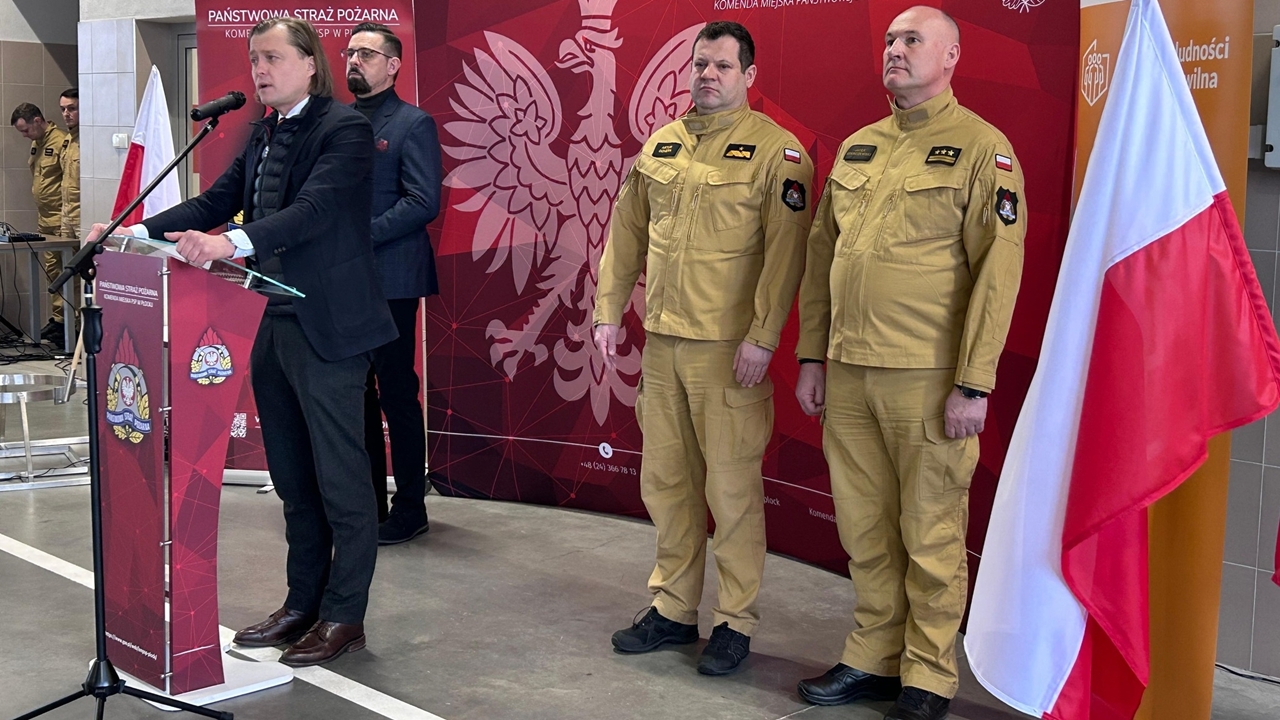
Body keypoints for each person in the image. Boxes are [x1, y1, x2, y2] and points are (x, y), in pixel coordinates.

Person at [87, 17, 396, 668]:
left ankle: (344, 616)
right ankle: (301, 604)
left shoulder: (344, 129)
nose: (260, 70)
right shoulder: (264, 131)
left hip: (332, 328)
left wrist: (231, 243)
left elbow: (312, 211)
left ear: (310, 63)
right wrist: (130, 231)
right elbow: (216, 200)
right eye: (255, 59)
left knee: (342, 483)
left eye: (273, 58)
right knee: (292, 479)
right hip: (271, 319)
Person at [792, 7, 1026, 720]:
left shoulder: (984, 150)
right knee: (865, 529)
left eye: (912, 40)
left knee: (930, 533)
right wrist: (812, 354)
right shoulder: (860, 147)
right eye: (891, 39)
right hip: (849, 372)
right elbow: (821, 257)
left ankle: (927, 674)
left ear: (951, 55)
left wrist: (973, 384)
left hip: (927, 379)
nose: (895, 50)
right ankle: (873, 657)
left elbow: (997, 274)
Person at [594, 20, 814, 677]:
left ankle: (734, 622)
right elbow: (625, 233)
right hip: (663, 348)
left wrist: (763, 337)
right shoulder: (663, 144)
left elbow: (786, 258)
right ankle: (673, 609)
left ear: (750, 76)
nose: (707, 76)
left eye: (722, 66)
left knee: (733, 493)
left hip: (727, 354)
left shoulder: (779, 154)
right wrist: (609, 311)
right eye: (700, 65)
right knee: (667, 485)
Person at [344, 22, 442, 545]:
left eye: (366, 53)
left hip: (393, 278)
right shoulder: (337, 121)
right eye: (350, 52)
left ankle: (410, 508)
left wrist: (360, 237)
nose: (354, 60)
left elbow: (423, 201)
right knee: (355, 392)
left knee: (396, 392)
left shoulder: (412, 123)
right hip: (343, 279)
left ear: (393, 65)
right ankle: (367, 505)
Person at [9, 102, 70, 342]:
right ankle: (59, 320)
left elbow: (69, 182)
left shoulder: (61, 141)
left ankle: (71, 324)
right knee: (52, 271)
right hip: (45, 217)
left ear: (37, 120)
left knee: (67, 271)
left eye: (25, 130)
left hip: (61, 217)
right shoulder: (38, 143)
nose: (24, 136)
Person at [58, 89, 80, 242]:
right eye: (63, 109)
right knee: (66, 254)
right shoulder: (68, 139)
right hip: (66, 212)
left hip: (82, 212)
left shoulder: (89, 139)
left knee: (89, 254)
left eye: (72, 109)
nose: (66, 114)